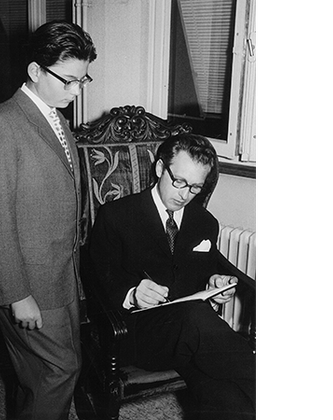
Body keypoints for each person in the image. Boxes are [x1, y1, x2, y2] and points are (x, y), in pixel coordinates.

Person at [0, 20, 97, 420]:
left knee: (38, 376)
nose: (76, 91)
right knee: (59, 371)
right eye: (68, 80)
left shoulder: (55, 119)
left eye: (82, 79)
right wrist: (16, 294)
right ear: (36, 71)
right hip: (28, 282)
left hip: (61, 276)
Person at [88, 133, 256, 420]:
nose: (185, 194)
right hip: (138, 336)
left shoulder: (205, 223)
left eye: (195, 187)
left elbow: (206, 268)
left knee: (231, 400)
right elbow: (96, 277)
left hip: (192, 338)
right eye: (179, 181)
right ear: (159, 169)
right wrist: (131, 293)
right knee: (196, 318)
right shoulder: (116, 215)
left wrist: (214, 283)